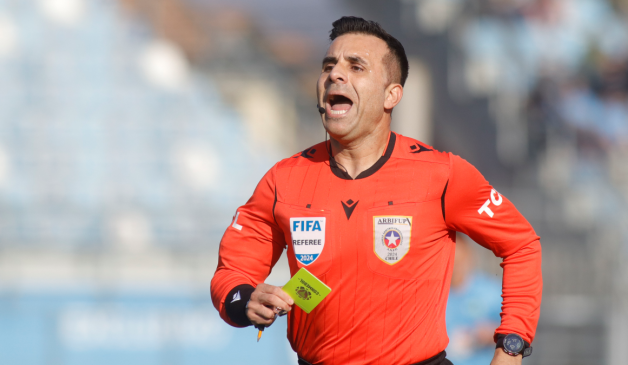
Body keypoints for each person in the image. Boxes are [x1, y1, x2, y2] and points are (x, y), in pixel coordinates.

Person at [211, 16, 542, 365]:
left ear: (391, 95)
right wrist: (244, 300)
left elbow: (521, 245)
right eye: (329, 65)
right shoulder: (284, 179)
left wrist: (511, 347)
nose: (335, 75)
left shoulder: (443, 174)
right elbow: (232, 272)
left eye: (356, 66)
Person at [445, 234, 502, 365]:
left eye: (459, 261)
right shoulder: (433, 294)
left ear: (469, 256)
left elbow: (522, 334)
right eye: (450, 262)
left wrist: (491, 334)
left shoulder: (491, 291)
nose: (455, 268)